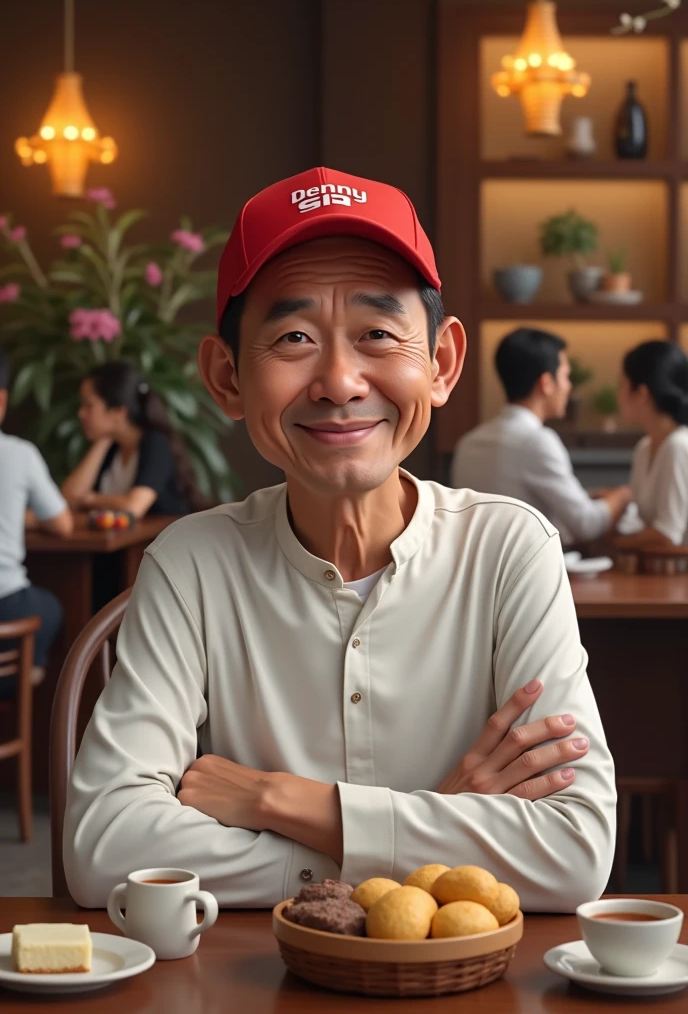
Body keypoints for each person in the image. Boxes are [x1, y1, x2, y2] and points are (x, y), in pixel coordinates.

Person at [65, 167, 615, 914]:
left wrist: (278, 799)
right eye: (293, 336)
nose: (339, 380)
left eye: (378, 335)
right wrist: (428, 828)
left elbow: (576, 851)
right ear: (226, 377)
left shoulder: (509, 549)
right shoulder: (192, 563)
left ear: (442, 364)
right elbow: (105, 848)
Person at [451, 327, 631, 546]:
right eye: (565, 376)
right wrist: (622, 496)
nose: (568, 386)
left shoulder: (468, 442)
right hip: (525, 572)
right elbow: (587, 523)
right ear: (545, 384)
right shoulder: (536, 441)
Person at [0, 348, 72, 697]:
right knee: (54, 607)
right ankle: (26, 679)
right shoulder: (17, 453)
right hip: (7, 605)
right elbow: (62, 525)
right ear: (1, 401)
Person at [62, 362, 202, 519]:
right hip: (120, 541)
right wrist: (103, 441)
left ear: (119, 412)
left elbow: (133, 507)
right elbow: (69, 500)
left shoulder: (156, 442)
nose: (81, 414)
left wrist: (89, 498)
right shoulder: (111, 446)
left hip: (162, 540)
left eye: (89, 405)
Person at [615, 340, 688, 548]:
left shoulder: (679, 446)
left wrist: (617, 543)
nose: (619, 395)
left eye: (623, 385)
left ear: (642, 393)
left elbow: (667, 533)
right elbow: (639, 519)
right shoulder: (645, 447)